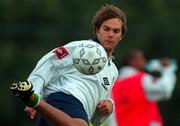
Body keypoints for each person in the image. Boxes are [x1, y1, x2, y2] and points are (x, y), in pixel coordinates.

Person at [10, 4, 127, 126]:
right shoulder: (81, 48)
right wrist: (34, 91)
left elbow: (96, 116)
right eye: (106, 29)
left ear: (121, 36)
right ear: (97, 30)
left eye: (116, 31)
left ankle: (38, 103)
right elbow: (50, 63)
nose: (110, 34)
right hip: (64, 98)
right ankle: (36, 102)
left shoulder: (113, 71)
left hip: (71, 115)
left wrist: (109, 105)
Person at [104, 49, 177, 126]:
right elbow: (166, 89)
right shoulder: (142, 79)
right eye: (141, 58)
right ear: (132, 62)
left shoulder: (112, 86)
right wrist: (168, 69)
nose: (144, 61)